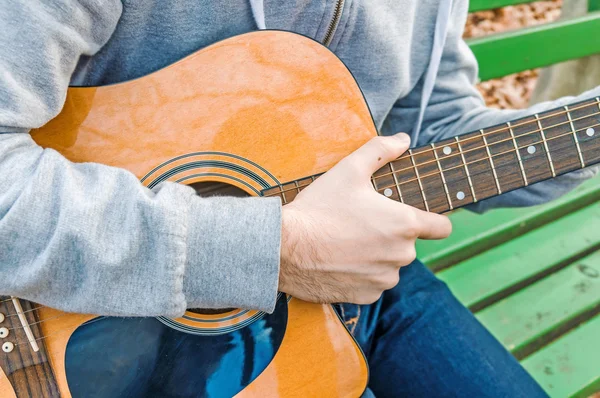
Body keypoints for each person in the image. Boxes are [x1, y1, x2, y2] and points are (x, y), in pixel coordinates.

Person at [1, 1, 599, 396]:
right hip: (94, 312)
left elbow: (432, 124)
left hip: (368, 289)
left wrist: (585, 135)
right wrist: (280, 248)